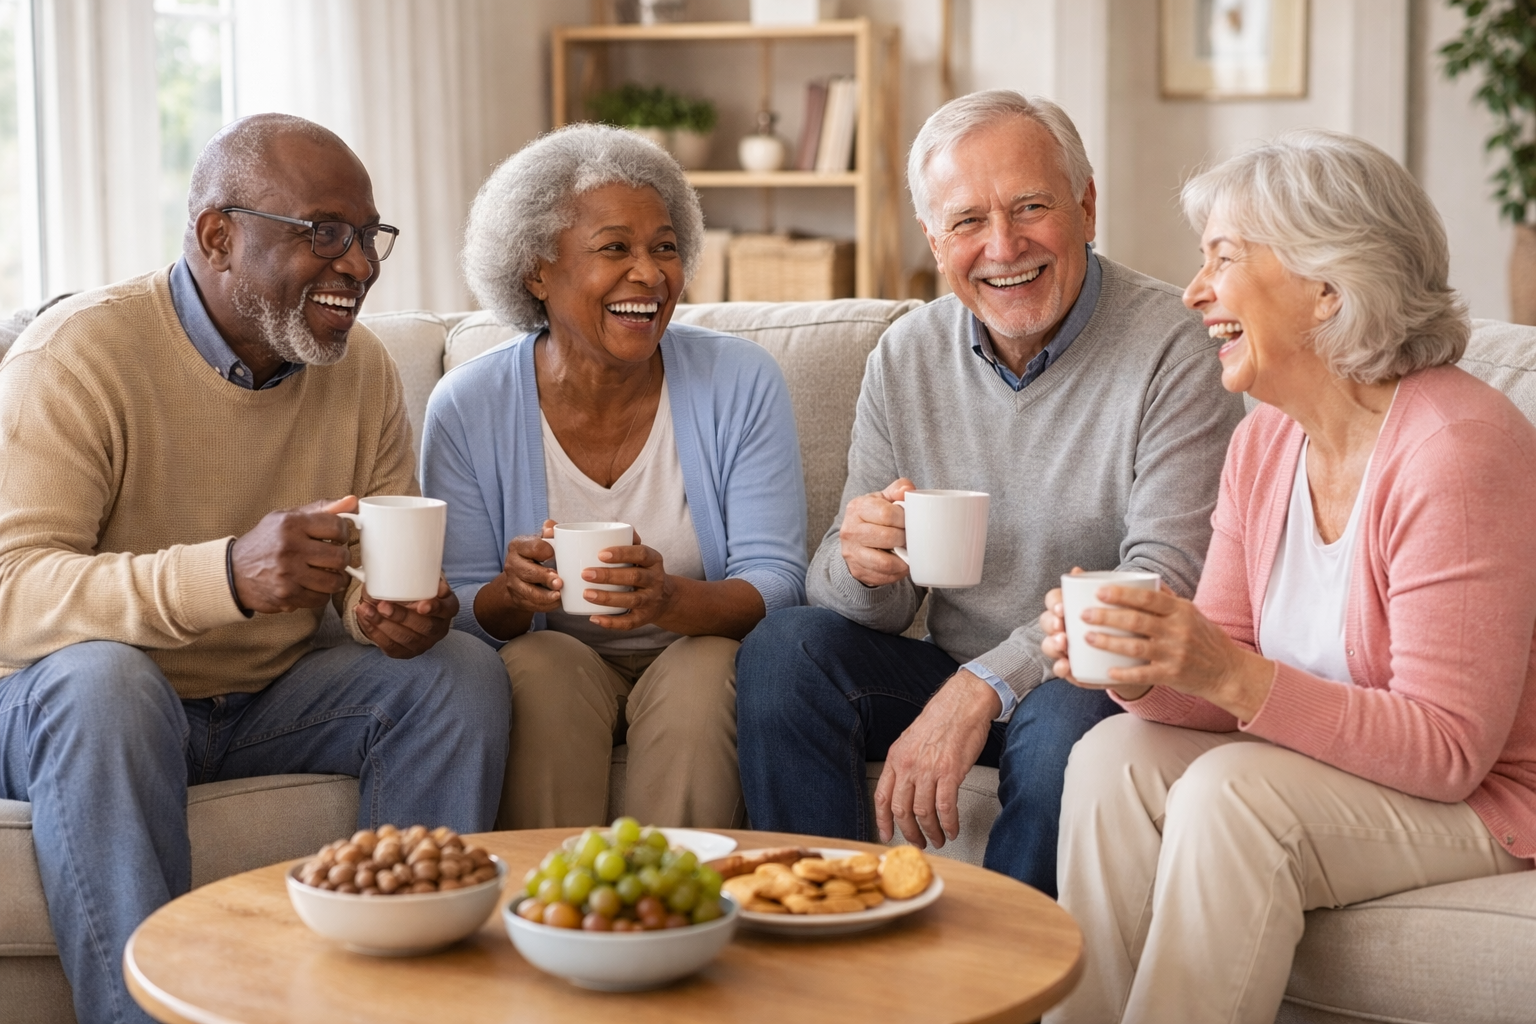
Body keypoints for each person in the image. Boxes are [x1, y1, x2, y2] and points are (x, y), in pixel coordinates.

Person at [0, 114, 511, 1024]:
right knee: (105, 682)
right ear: (217, 237)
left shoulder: (359, 373)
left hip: (265, 701)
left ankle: (403, 1001)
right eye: (325, 233)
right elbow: (13, 593)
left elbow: (364, 580)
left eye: (367, 238)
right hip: (79, 703)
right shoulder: (81, 353)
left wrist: (391, 618)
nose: (358, 265)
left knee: (456, 671)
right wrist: (226, 576)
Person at [1042, 130, 1536, 1024]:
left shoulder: (1457, 448)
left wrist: (1226, 671)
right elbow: (1219, 665)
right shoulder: (1267, 439)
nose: (1194, 291)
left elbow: (1452, 749)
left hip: (1489, 797)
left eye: (1223, 259)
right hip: (1335, 766)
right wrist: (1144, 665)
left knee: (1236, 797)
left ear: (1328, 288)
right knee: (1114, 755)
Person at [733, 90, 1246, 894]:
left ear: (1086, 207)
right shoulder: (907, 354)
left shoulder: (1175, 348)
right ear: (936, 241)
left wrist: (986, 684)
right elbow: (867, 607)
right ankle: (822, 935)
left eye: (1032, 207)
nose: (1003, 246)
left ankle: (1008, 994)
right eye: (968, 221)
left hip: (1092, 681)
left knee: (1069, 721)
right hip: (943, 663)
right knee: (785, 652)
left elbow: (1162, 578)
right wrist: (862, 565)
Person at [422, 123, 806, 830]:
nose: (651, 274)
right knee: (538, 665)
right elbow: (459, 608)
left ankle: (665, 912)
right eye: (615, 249)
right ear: (536, 268)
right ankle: (547, 910)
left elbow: (778, 581)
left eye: (665, 247)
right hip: (555, 664)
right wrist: (509, 594)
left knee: (707, 670)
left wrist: (667, 598)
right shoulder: (468, 405)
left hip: (691, 650)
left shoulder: (740, 380)